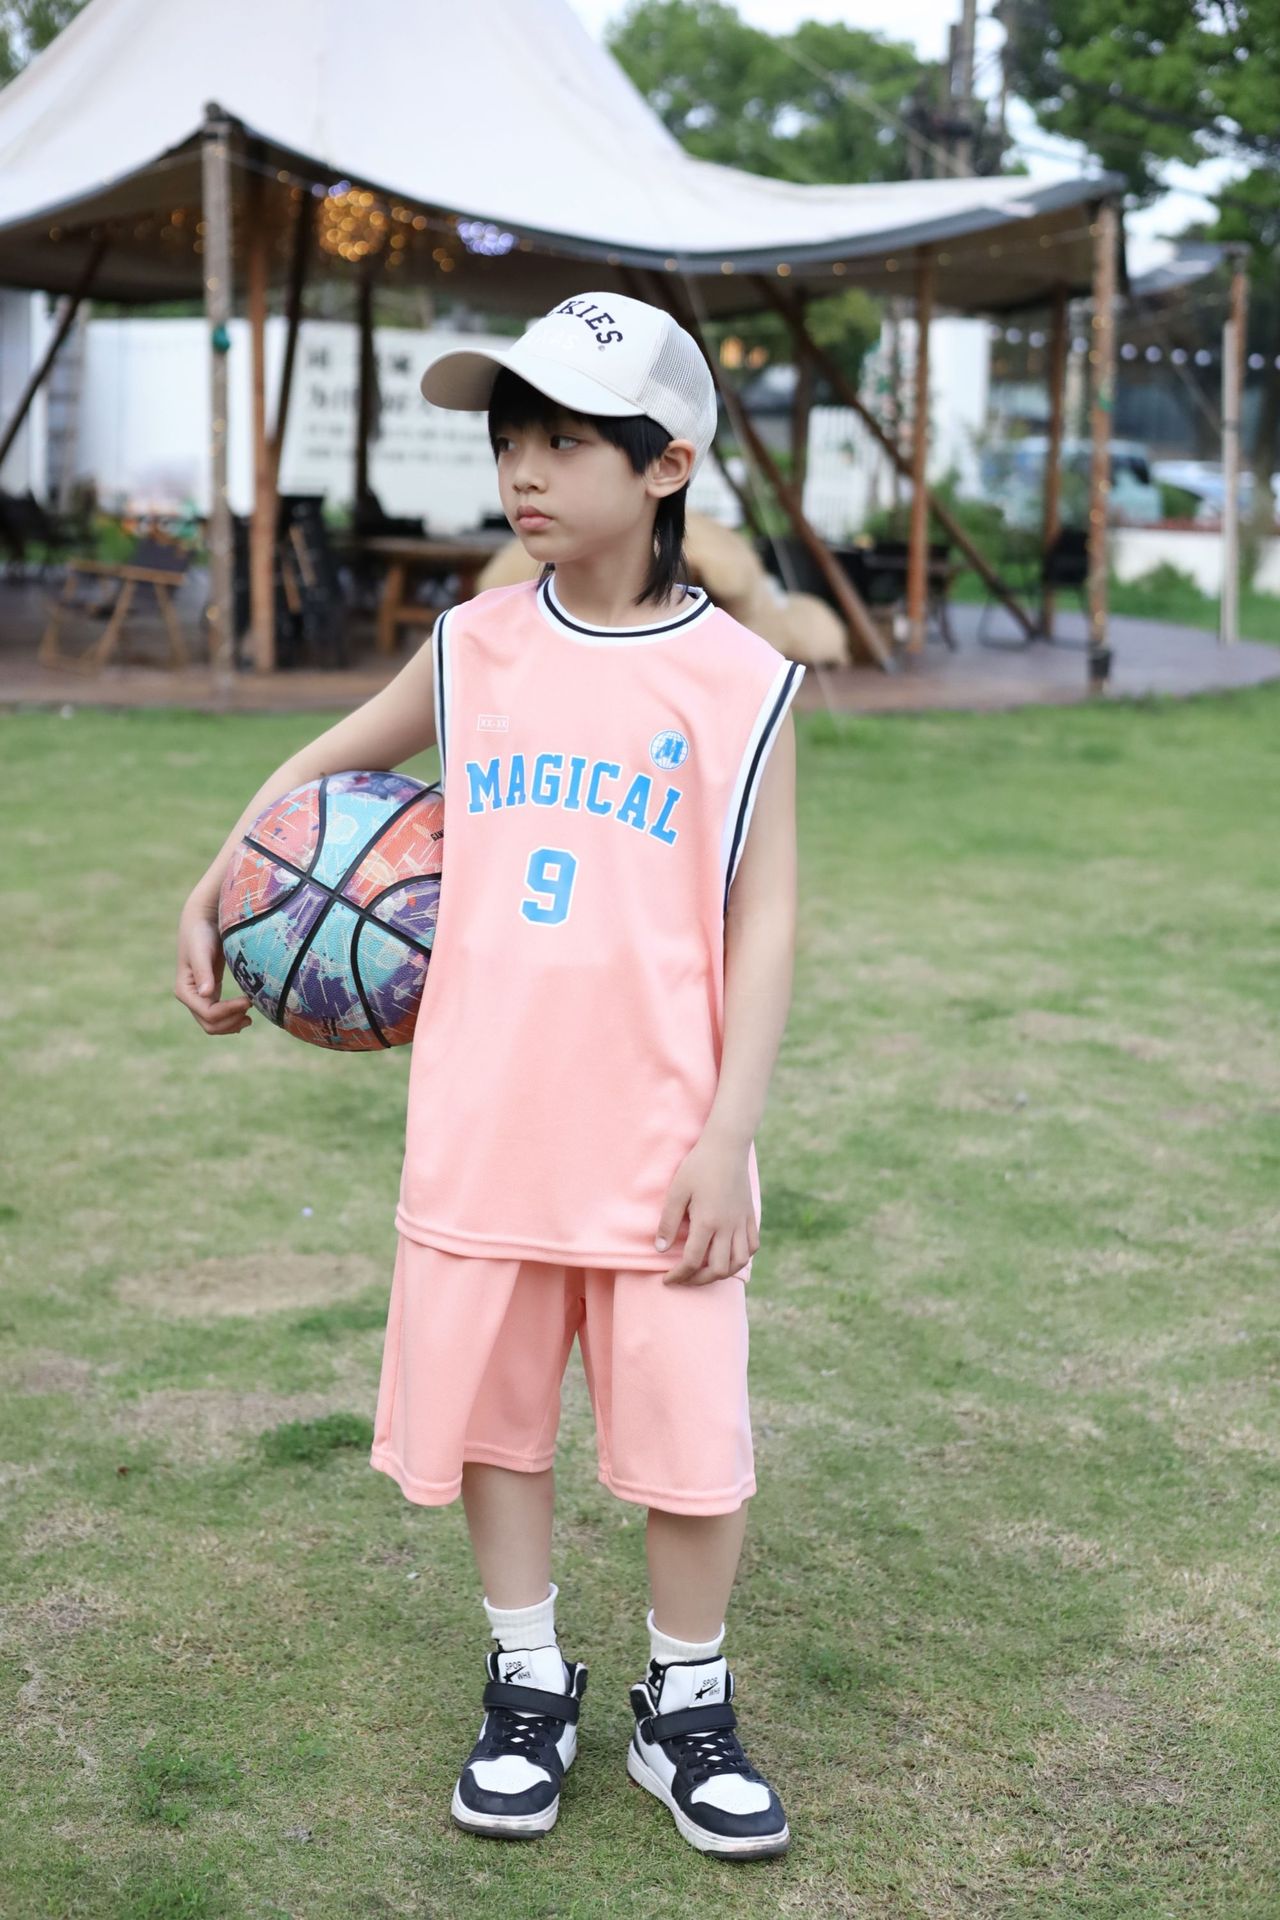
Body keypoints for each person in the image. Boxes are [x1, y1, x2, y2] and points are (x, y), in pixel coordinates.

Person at [174, 289, 806, 1862]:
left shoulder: (741, 680)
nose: (525, 471)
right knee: (497, 1423)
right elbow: (334, 761)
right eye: (511, 439)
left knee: (689, 1442)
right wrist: (220, 882)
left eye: (566, 442)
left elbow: (767, 918)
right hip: (487, 1123)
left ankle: (686, 1704)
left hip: (661, 1135)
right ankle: (529, 1680)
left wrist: (731, 1130)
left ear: (664, 467)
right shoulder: (474, 647)